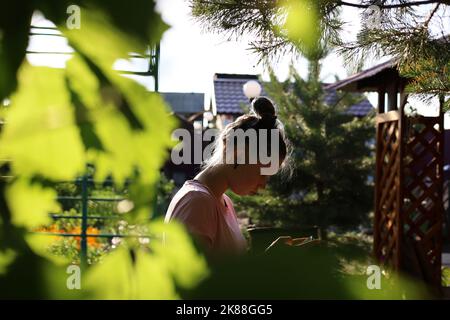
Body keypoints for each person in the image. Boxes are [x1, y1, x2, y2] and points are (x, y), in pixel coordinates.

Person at [164, 96, 290, 256]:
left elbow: (227, 272)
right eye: (262, 173)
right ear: (237, 153)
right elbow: (192, 279)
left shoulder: (222, 202)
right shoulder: (197, 202)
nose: (263, 184)